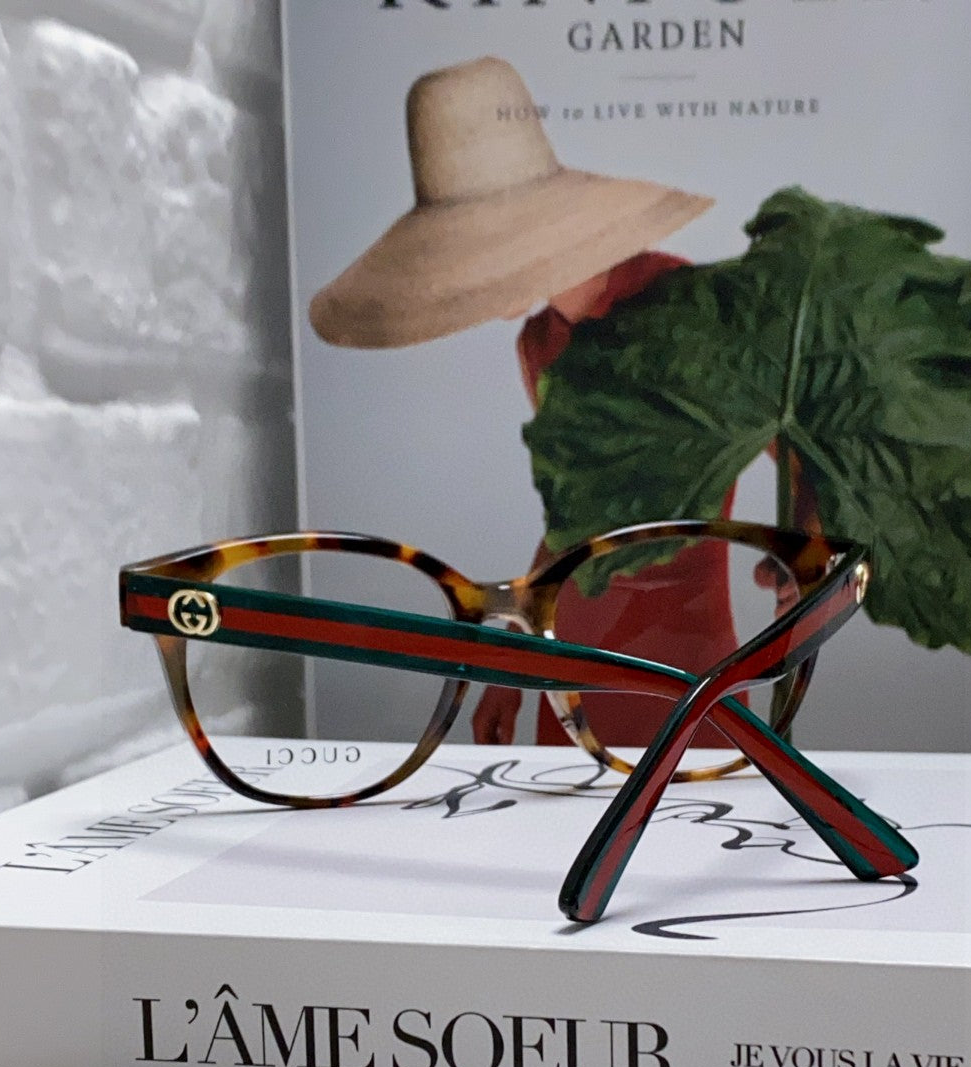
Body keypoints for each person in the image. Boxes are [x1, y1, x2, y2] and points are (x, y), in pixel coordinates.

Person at [309, 55, 741, 750]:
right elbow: (569, 519)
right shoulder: (539, 344)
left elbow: (791, 436)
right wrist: (513, 666)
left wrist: (805, 556)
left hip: (687, 654)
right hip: (570, 666)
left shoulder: (685, 304)